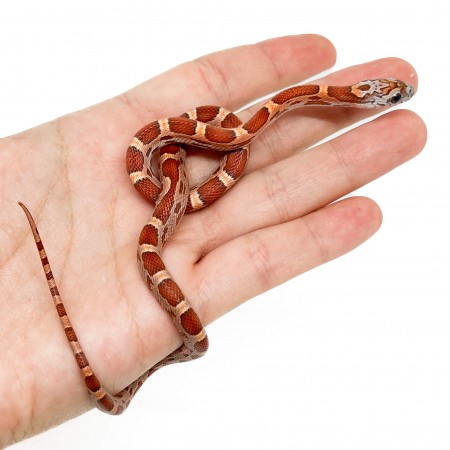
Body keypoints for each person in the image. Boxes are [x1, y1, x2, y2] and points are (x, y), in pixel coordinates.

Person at [0, 34, 426, 446]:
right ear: (362, 96)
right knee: (176, 215)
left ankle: (184, 349)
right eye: (390, 97)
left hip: (196, 157)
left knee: (216, 157)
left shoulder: (268, 116)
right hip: (177, 168)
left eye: (390, 96)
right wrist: (178, 170)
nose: (395, 96)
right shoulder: (204, 143)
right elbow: (178, 164)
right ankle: (187, 345)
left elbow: (231, 140)